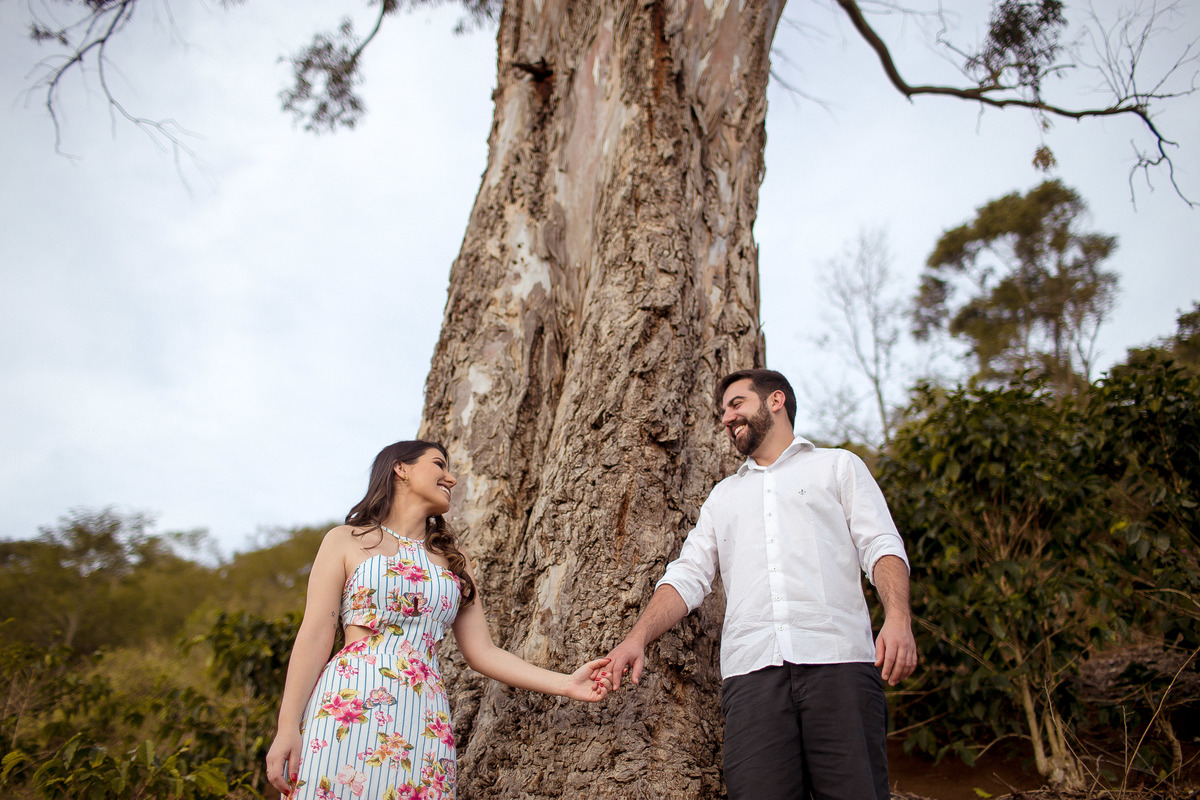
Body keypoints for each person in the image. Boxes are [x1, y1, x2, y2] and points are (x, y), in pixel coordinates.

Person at [603, 369, 918, 800]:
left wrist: (898, 618)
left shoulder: (838, 466)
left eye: (736, 404)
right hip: (752, 680)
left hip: (839, 665)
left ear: (775, 401)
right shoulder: (723, 497)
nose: (727, 418)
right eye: (722, 413)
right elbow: (688, 574)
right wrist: (636, 638)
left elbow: (880, 544)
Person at [266, 440, 611, 799]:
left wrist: (567, 683)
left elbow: (484, 653)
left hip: (422, 715)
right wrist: (287, 725)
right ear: (401, 468)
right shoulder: (345, 540)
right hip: (348, 706)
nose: (452, 478)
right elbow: (315, 635)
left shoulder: (453, 560)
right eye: (439, 465)